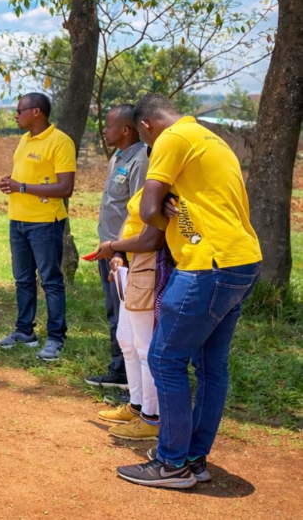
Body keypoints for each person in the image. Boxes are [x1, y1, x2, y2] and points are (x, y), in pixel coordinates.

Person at [116, 94, 262, 488]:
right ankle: (193, 457)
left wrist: (163, 209)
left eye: (146, 143)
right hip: (242, 259)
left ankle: (171, 463)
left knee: (164, 359)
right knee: (211, 366)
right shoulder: (212, 139)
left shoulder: (171, 139)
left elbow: (148, 210)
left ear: (146, 126)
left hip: (207, 265)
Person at [0, 92, 76, 362]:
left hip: (45, 222)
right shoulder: (23, 140)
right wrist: (12, 184)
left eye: (19, 110)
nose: (15, 115)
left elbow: (66, 188)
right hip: (18, 220)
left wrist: (23, 187)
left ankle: (56, 337)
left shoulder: (60, 142)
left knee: (50, 280)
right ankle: (24, 331)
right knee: (23, 280)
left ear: (36, 112)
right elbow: (24, 179)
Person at [90, 187, 165, 442]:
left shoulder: (167, 187)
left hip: (148, 267)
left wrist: (112, 246)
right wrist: (120, 253)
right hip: (130, 268)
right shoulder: (148, 186)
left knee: (145, 349)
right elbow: (130, 220)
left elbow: (151, 238)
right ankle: (136, 405)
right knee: (126, 340)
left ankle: (151, 418)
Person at [85, 104, 147, 391]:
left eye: (109, 126)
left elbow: (137, 212)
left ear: (125, 129)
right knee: (114, 311)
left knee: (126, 314)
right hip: (110, 248)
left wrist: (120, 251)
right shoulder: (117, 158)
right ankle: (120, 369)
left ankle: (126, 375)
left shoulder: (141, 160)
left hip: (125, 254)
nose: (105, 131)